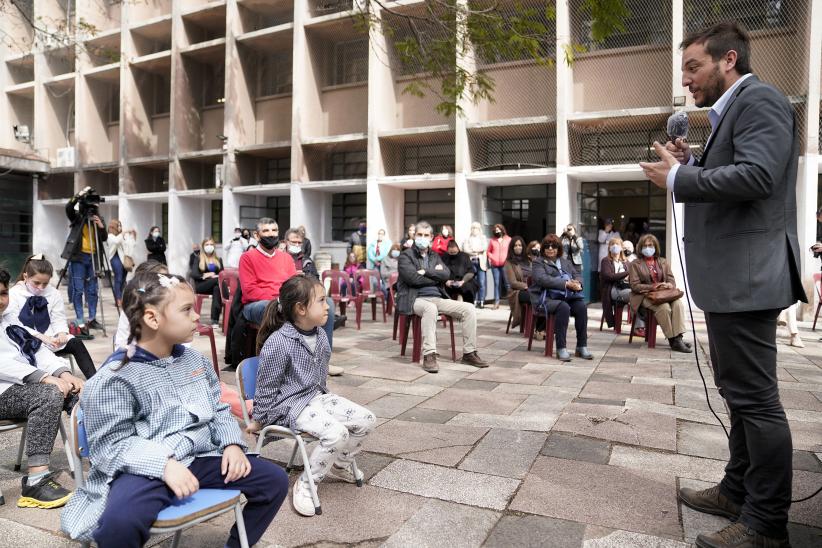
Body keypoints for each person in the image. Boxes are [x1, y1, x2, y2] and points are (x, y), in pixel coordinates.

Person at [640, 22, 807, 547]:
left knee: (756, 401)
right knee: (738, 395)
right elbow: (739, 172)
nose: (685, 81)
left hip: (749, 278)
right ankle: (736, 490)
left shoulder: (760, 101)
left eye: (693, 67)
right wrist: (692, 163)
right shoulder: (731, 112)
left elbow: (758, 176)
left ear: (727, 60)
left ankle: (765, 523)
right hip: (735, 278)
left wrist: (678, 179)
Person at [60, 272, 289, 547]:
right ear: (152, 319)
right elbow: (111, 445)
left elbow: (218, 408)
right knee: (119, 523)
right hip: (144, 468)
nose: (196, 317)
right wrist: (164, 465)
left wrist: (231, 444)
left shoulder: (195, 360)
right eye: (186, 309)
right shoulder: (114, 378)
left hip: (200, 458)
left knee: (274, 480)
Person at [249, 276, 375, 517]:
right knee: (336, 433)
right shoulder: (279, 343)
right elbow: (266, 386)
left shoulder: (320, 335)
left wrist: (326, 402)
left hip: (316, 396)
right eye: (321, 300)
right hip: (290, 406)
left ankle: (340, 464)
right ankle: (307, 483)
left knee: (367, 419)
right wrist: (259, 418)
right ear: (301, 308)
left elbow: (321, 374)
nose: (328, 305)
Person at [0, 266, 84, 509]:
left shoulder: (10, 319)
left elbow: (36, 349)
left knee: (79, 392)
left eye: (3, 293)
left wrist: (65, 373)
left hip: (19, 388)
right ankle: (36, 480)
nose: (1, 301)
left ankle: (104, 459)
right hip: (4, 391)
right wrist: (44, 377)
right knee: (48, 394)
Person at [397, 221, 487, 373]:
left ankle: (469, 353)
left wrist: (425, 271)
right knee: (430, 309)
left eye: (426, 235)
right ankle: (429, 355)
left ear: (431, 237)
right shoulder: (405, 256)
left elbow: (446, 275)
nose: (422, 238)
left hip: (438, 298)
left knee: (469, 308)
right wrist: (435, 274)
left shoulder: (435, 256)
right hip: (415, 299)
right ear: (414, 235)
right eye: (420, 234)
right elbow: (412, 279)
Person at [5, 255, 97, 379]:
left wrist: (61, 333)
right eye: (36, 283)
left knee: (76, 342)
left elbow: (58, 317)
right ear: (26, 276)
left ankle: (95, 379)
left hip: (52, 338)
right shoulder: (14, 294)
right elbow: (15, 324)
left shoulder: (53, 293)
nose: (41, 287)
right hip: (27, 338)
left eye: (45, 284)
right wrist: (41, 337)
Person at [528, 234, 592, 362]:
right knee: (563, 308)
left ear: (559, 248)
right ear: (543, 248)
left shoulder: (565, 261)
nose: (550, 249)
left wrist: (578, 284)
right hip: (544, 299)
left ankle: (581, 346)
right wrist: (566, 284)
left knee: (581, 307)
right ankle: (561, 348)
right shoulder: (538, 263)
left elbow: (577, 274)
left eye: (554, 246)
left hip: (566, 297)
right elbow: (542, 279)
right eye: (547, 246)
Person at [627, 235, 690, 353]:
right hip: (644, 296)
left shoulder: (663, 261)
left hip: (664, 295)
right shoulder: (635, 264)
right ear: (640, 248)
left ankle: (678, 338)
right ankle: (673, 340)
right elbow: (634, 286)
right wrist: (653, 286)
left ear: (655, 246)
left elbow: (672, 280)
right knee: (664, 308)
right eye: (645, 246)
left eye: (650, 245)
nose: (647, 248)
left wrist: (669, 285)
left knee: (678, 304)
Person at [62, 187, 107, 336]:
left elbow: (104, 237)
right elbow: (68, 207)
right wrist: (79, 195)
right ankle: (80, 319)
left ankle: (92, 318)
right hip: (78, 257)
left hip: (94, 257)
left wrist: (101, 226)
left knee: (93, 290)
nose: (93, 207)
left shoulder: (98, 219)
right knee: (78, 289)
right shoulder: (77, 217)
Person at [239, 217, 296, 325]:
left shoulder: (287, 258)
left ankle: (316, 341)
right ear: (256, 235)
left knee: (326, 305)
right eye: (266, 231)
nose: (271, 234)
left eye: (274, 230)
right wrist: (277, 300)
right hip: (256, 304)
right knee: (272, 308)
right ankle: (279, 341)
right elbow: (249, 291)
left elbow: (294, 285)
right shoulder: (247, 258)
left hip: (283, 302)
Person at [114, 260, 169, 350]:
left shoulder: (172, 307)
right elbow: (121, 345)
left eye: (169, 280)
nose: (168, 285)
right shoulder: (132, 309)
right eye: (162, 282)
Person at [599, 237, 643, 332]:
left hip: (626, 287)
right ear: (609, 248)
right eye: (612, 244)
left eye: (617, 244)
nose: (615, 246)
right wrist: (627, 273)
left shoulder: (626, 262)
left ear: (621, 248)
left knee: (639, 295)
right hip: (613, 289)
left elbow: (633, 274)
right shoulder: (606, 261)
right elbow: (609, 276)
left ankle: (642, 326)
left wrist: (630, 275)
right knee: (634, 296)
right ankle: (638, 327)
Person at [189, 238, 224, 325]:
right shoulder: (198, 258)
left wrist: (216, 276)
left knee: (217, 288)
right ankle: (226, 296)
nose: (209, 246)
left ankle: (214, 320)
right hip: (201, 285)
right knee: (218, 281)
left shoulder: (218, 260)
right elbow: (194, 274)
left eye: (211, 245)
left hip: (214, 285)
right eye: (207, 245)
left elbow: (222, 274)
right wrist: (205, 275)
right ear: (203, 246)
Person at [105, 219, 136, 306]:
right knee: (118, 278)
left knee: (123, 279)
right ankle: (118, 299)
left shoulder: (122, 236)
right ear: (113, 226)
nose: (120, 227)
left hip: (123, 259)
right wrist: (124, 233)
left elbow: (129, 245)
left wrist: (133, 237)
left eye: (120, 225)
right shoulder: (110, 236)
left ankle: (122, 298)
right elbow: (116, 241)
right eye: (118, 225)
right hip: (115, 258)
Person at [504, 236, 532, 329]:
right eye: (515, 245)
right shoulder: (509, 262)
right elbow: (513, 283)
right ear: (512, 248)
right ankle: (531, 327)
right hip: (517, 291)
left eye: (520, 245)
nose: (518, 247)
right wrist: (527, 286)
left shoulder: (528, 260)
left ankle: (540, 327)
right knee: (533, 297)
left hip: (531, 288)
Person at [462, 222, 488, 308]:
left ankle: (481, 301)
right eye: (473, 228)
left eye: (476, 228)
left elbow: (484, 247)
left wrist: (473, 250)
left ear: (479, 229)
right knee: (473, 282)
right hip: (471, 262)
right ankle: (475, 300)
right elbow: (465, 249)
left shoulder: (483, 238)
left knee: (481, 282)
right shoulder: (467, 238)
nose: (474, 229)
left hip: (480, 262)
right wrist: (476, 251)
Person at [486, 224, 511, 309]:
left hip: (505, 264)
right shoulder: (492, 240)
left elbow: (511, 251)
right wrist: (492, 257)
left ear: (502, 230)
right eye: (496, 230)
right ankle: (496, 302)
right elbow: (488, 251)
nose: (497, 231)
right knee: (497, 283)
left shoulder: (508, 239)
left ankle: (511, 302)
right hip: (495, 265)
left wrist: (508, 259)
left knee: (507, 283)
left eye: (499, 229)